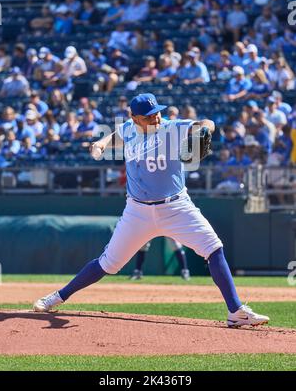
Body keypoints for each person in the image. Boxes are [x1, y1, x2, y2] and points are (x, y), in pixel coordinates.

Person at [34, 93, 270, 328]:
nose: (155, 118)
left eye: (157, 112)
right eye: (148, 116)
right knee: (108, 264)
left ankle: (235, 311)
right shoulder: (128, 128)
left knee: (214, 248)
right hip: (137, 212)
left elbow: (207, 123)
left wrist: (204, 132)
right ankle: (58, 296)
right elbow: (119, 134)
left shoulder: (172, 128)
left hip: (177, 206)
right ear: (135, 118)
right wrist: (103, 142)